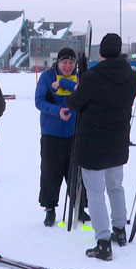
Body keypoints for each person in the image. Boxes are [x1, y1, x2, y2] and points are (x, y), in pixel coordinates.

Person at [67, 33, 136, 261]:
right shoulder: (131, 76)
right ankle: (120, 228)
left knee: (96, 193)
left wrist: (78, 86)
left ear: (101, 53)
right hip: (118, 140)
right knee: (116, 187)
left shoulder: (93, 77)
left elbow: (74, 103)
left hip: (93, 143)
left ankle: (103, 241)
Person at [35, 47, 89, 227]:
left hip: (75, 133)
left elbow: (85, 96)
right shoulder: (47, 77)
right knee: (51, 172)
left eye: (71, 62)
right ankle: (50, 208)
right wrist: (57, 112)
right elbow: (39, 101)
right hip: (52, 133)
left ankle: (79, 206)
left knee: (76, 172)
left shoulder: (81, 78)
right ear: (58, 63)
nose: (68, 66)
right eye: (64, 62)